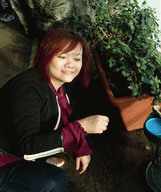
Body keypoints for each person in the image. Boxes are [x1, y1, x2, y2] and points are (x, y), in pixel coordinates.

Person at [0, 28, 109, 191]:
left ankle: (39, 162)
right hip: (4, 158)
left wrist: (81, 147)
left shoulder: (59, 83)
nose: (71, 64)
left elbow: (67, 115)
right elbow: (27, 146)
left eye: (77, 58)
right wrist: (82, 127)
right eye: (62, 56)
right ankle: (33, 166)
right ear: (46, 56)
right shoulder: (28, 90)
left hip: (16, 147)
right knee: (54, 181)